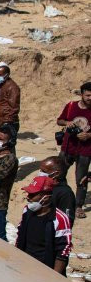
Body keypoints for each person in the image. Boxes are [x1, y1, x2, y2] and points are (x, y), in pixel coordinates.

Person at [14, 175, 72, 274]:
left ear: (45, 197)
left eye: (32, 195)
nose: (28, 197)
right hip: (24, 264)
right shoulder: (27, 211)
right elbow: (20, 235)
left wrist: (54, 277)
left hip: (44, 269)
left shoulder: (59, 219)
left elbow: (63, 251)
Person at [57, 82, 91, 219]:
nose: (90, 98)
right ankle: (60, 200)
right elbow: (59, 120)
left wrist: (89, 135)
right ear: (82, 94)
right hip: (68, 147)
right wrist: (67, 123)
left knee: (82, 179)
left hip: (85, 150)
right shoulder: (71, 106)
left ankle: (78, 206)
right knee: (59, 174)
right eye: (88, 95)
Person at [40, 157, 78, 227]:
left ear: (56, 174)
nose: (40, 173)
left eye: (44, 171)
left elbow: (67, 221)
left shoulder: (65, 194)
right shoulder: (43, 185)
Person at [0, 65, 20, 135]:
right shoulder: (3, 85)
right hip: (2, 121)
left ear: (7, 75)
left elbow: (14, 107)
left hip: (8, 122)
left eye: (0, 75)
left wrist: (6, 123)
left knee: (6, 144)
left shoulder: (12, 87)